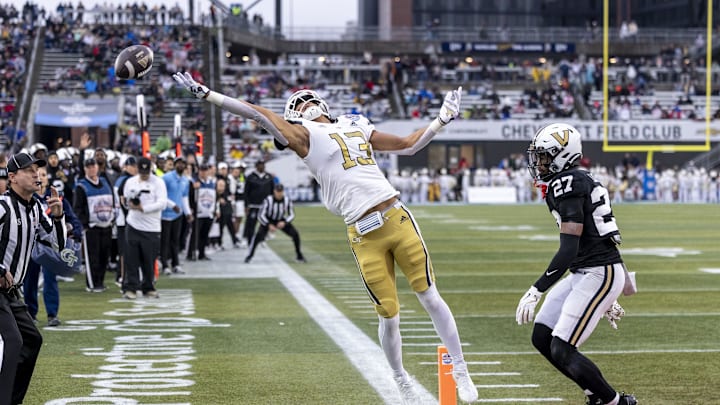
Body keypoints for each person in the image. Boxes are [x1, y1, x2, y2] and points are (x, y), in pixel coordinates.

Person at [173, 72, 478, 403]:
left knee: (430, 295)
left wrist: (441, 120)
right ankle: (400, 378)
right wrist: (209, 95)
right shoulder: (306, 137)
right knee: (389, 315)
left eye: (307, 99)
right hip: (362, 232)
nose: (305, 104)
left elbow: (407, 145)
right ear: (292, 119)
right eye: (298, 103)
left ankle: (460, 369)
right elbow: (258, 112)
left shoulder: (355, 122)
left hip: (396, 216)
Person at [516, 123, 637, 405]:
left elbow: (569, 248)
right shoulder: (571, 181)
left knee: (562, 347)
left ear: (562, 155)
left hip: (598, 271)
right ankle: (595, 394)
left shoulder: (567, 183)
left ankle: (614, 402)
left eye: (545, 156)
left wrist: (537, 289)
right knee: (542, 336)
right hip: (590, 271)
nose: (540, 163)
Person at [0, 152, 66, 405]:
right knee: (12, 341)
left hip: (11, 293)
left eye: (37, 170)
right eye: (28, 170)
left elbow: (58, 244)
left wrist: (58, 216)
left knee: (32, 340)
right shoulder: (3, 206)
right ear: (13, 177)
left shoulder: (37, 208)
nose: (36, 174)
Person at [23, 165, 83, 327]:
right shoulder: (27, 198)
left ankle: (52, 314)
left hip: (50, 246)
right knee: (30, 279)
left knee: (50, 279)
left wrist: (76, 232)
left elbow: (71, 217)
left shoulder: (58, 197)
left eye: (43, 174)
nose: (40, 177)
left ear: (48, 178)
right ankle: (30, 313)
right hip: (32, 245)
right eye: (37, 174)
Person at [121, 157, 168, 299]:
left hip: (152, 227)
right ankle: (130, 288)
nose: (144, 175)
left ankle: (148, 287)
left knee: (149, 259)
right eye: (141, 171)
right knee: (131, 258)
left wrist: (144, 208)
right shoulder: (130, 182)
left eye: (146, 172)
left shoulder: (158, 183)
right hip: (133, 224)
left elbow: (162, 203)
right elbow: (126, 199)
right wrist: (129, 204)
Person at [73, 157, 116, 292]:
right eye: (89, 167)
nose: (92, 169)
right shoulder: (81, 186)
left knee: (104, 255)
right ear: (85, 169)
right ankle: (92, 284)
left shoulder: (105, 182)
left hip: (107, 225)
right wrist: (84, 224)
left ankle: (101, 282)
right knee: (93, 256)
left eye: (93, 166)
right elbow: (78, 208)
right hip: (92, 227)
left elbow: (112, 201)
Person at [244, 183, 304, 263]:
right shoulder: (268, 200)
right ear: (274, 191)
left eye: (281, 191)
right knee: (257, 237)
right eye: (277, 191)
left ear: (283, 191)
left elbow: (292, 214)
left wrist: (285, 222)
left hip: (281, 220)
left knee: (295, 234)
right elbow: (261, 215)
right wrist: (268, 224)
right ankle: (250, 256)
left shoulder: (287, 200)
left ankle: (299, 255)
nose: (279, 193)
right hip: (268, 220)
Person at [161, 156, 192, 274]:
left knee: (175, 240)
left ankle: (176, 264)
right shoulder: (166, 178)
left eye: (183, 164)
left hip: (177, 215)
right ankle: (164, 264)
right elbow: (161, 195)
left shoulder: (185, 180)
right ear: (174, 165)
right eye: (178, 163)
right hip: (165, 214)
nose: (181, 165)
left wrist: (188, 212)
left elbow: (184, 197)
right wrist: (172, 205)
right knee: (165, 240)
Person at [243, 159, 274, 246]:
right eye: (260, 165)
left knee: (264, 224)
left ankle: (262, 239)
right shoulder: (250, 177)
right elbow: (246, 192)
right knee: (251, 224)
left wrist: (272, 204)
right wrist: (246, 204)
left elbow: (272, 191)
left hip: (265, 206)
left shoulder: (269, 177)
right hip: (253, 205)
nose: (262, 166)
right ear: (256, 166)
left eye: (263, 164)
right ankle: (250, 241)